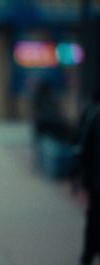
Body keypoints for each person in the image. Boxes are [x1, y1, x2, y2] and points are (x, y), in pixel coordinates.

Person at [79, 89, 100, 265]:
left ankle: (88, 255)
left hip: (96, 181)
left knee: (94, 219)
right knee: (94, 219)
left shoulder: (93, 115)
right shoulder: (94, 116)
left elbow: (84, 150)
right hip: (96, 181)